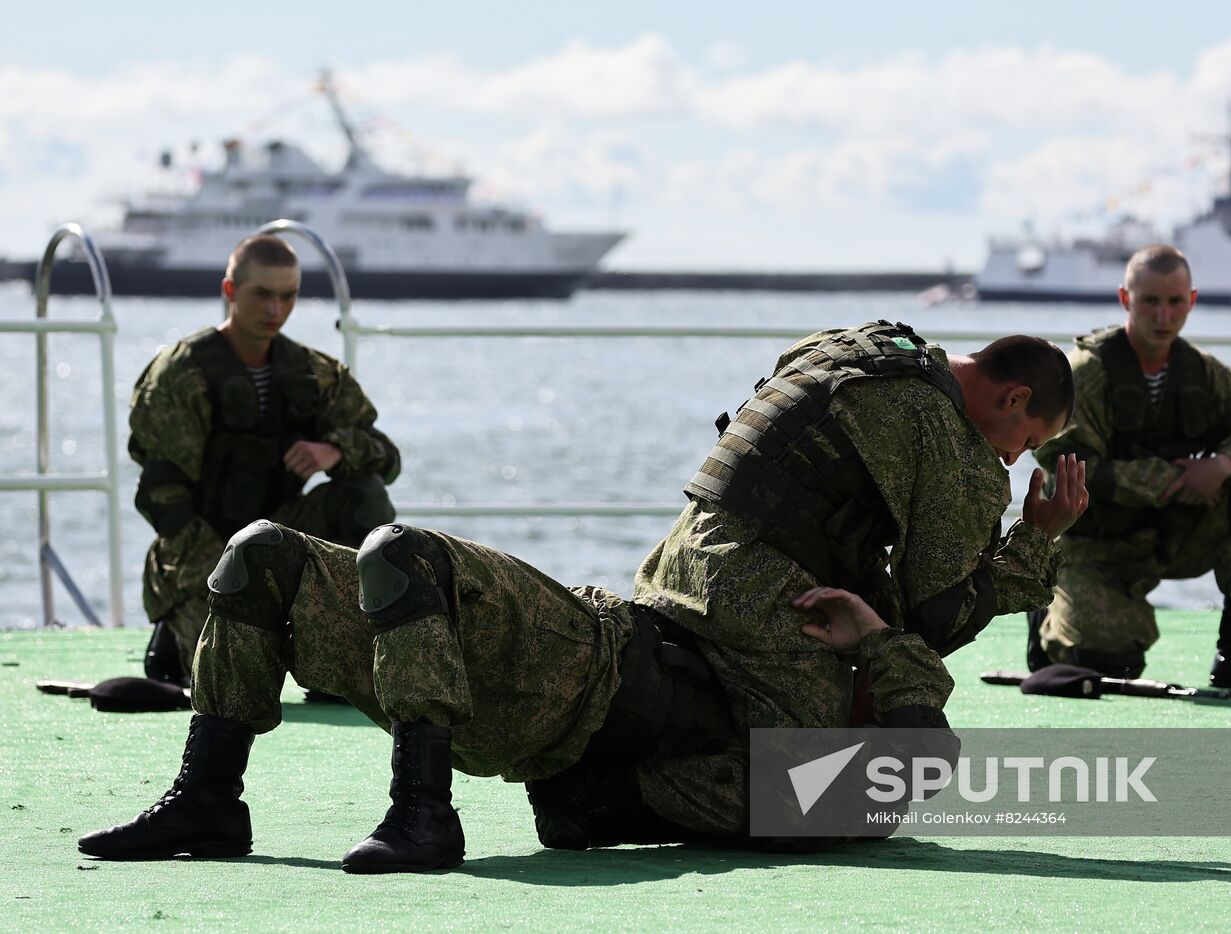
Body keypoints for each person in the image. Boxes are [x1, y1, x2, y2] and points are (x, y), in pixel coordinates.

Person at [79, 321, 1086, 870]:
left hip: (632, 641)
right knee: (314, 553)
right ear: (1005, 398)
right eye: (1023, 439)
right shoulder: (948, 445)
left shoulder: (847, 351)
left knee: (302, 553)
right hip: (630, 657)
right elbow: (936, 625)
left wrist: (875, 638)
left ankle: (343, 806)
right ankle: (264, 804)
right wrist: (1024, 551)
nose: (1013, 456)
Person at [129, 234, 400, 686]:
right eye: (262, 295)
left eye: (288, 296)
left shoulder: (311, 373)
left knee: (364, 496)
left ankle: (343, 647)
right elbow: (161, 497)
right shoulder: (182, 374)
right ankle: (177, 633)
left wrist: (334, 450)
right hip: (200, 548)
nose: (276, 310)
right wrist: (228, 579)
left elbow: (386, 457)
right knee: (227, 681)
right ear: (231, 292)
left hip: (279, 537)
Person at [1028, 245, 1231, 692]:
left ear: (1191, 301)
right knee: (1108, 660)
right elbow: (1069, 464)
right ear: (1125, 299)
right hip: (1099, 545)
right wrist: (1178, 479)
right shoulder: (1086, 374)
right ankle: (1047, 614)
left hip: (1176, 534)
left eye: (1175, 302)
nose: (1163, 314)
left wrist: (1222, 466)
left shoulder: (1203, 375)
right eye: (1150, 301)